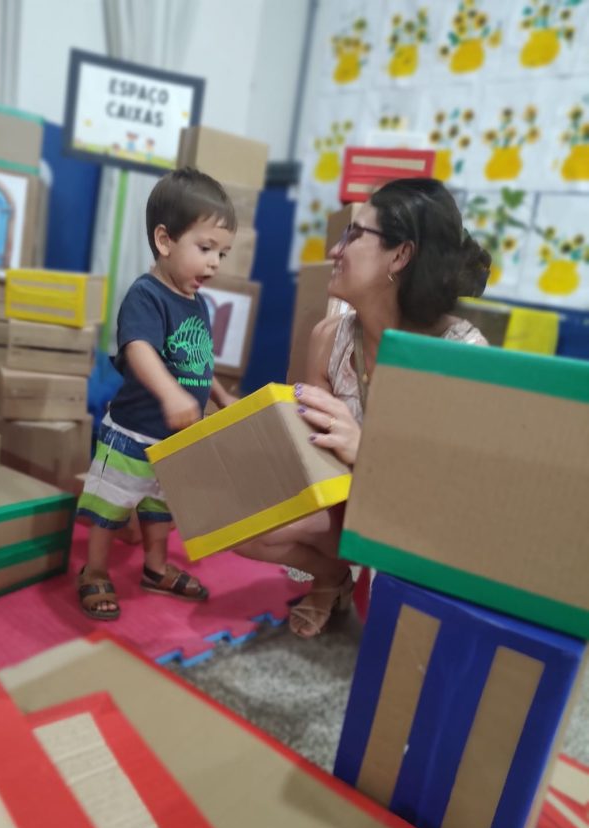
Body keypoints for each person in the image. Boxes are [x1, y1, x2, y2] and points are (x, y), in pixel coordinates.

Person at [236, 177, 490, 638]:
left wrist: (366, 451)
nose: (336, 250)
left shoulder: (462, 353)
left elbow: (458, 494)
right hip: (351, 509)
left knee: (390, 622)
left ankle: (368, 580)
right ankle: (331, 577)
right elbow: (309, 464)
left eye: (353, 235)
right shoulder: (328, 339)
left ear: (400, 255)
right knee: (239, 515)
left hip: (420, 528)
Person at [76, 167, 238, 619]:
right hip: (132, 433)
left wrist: (220, 396)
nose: (214, 263)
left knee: (159, 508)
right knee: (111, 506)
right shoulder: (146, 296)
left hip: (173, 439)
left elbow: (198, 360)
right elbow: (139, 349)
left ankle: (155, 567)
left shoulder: (197, 302)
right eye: (205, 248)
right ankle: (94, 570)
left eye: (222, 253)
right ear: (165, 241)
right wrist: (170, 394)